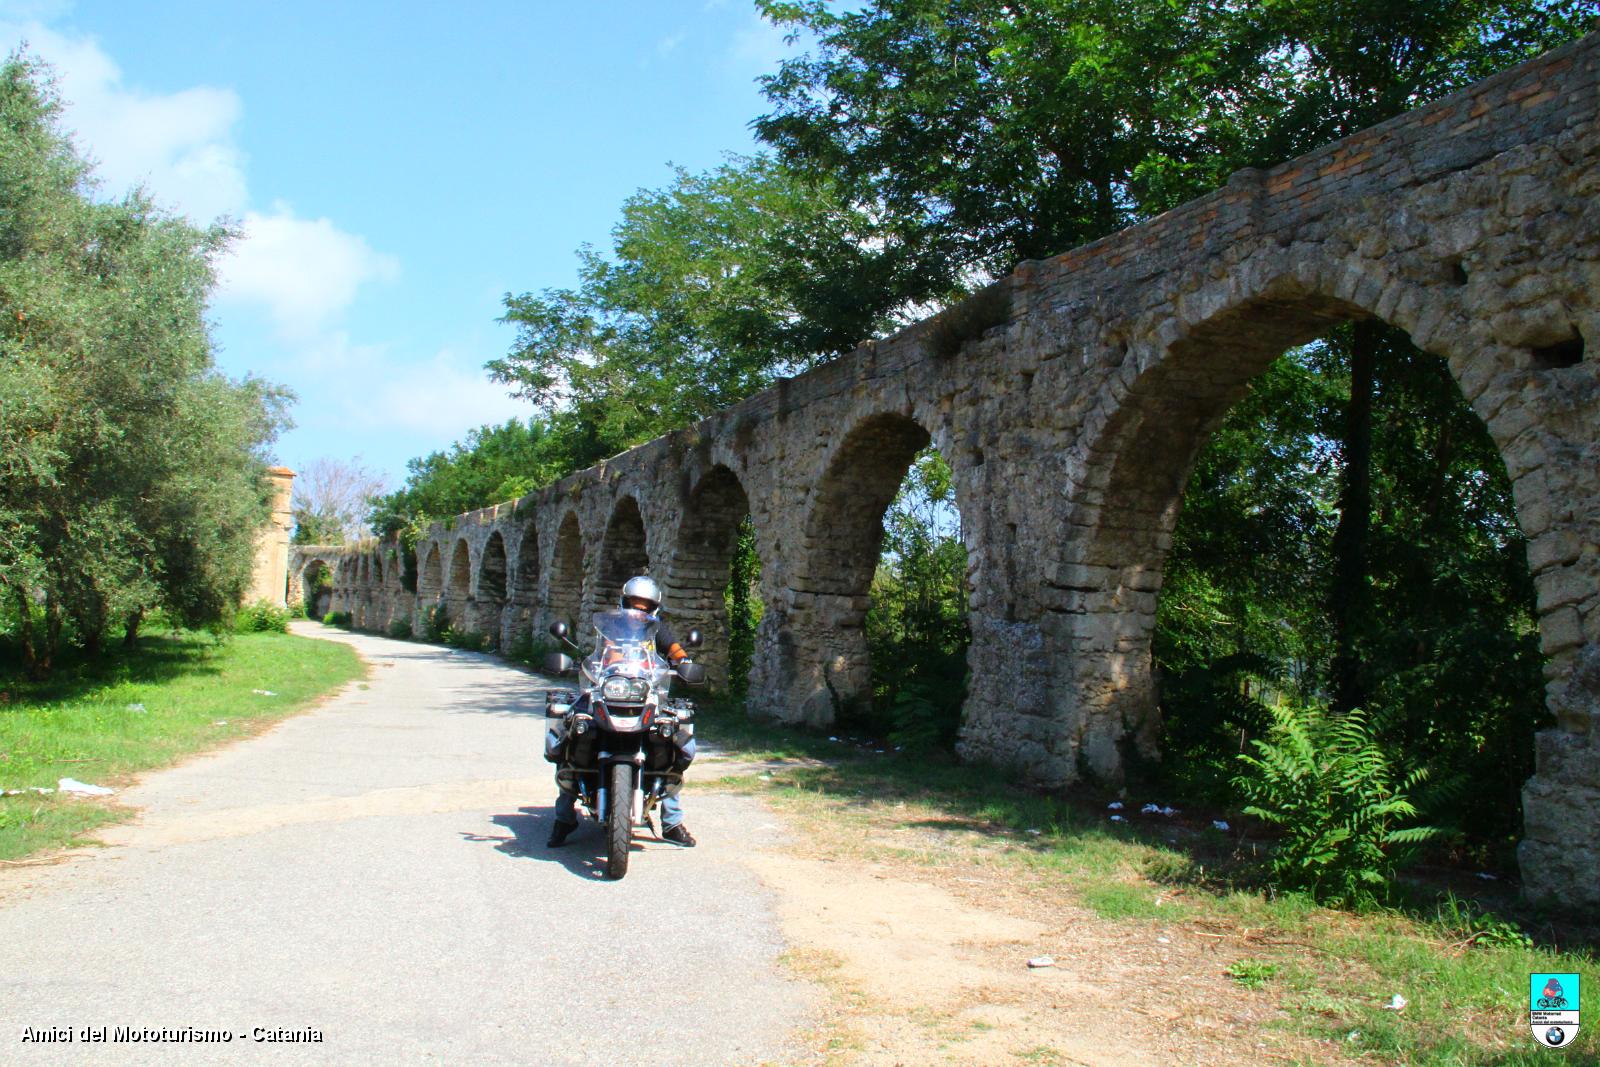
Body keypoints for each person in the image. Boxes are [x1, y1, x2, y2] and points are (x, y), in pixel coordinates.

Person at [547, 575, 698, 848]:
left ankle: (672, 821)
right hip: (607, 688)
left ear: (653, 608)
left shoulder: (657, 630)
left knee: (674, 735)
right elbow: (592, 654)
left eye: (644, 606)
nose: (638, 610)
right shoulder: (609, 626)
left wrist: (684, 662)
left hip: (645, 691)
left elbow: (675, 650)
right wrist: (584, 663)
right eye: (633, 603)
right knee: (571, 730)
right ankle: (564, 816)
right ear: (624, 601)